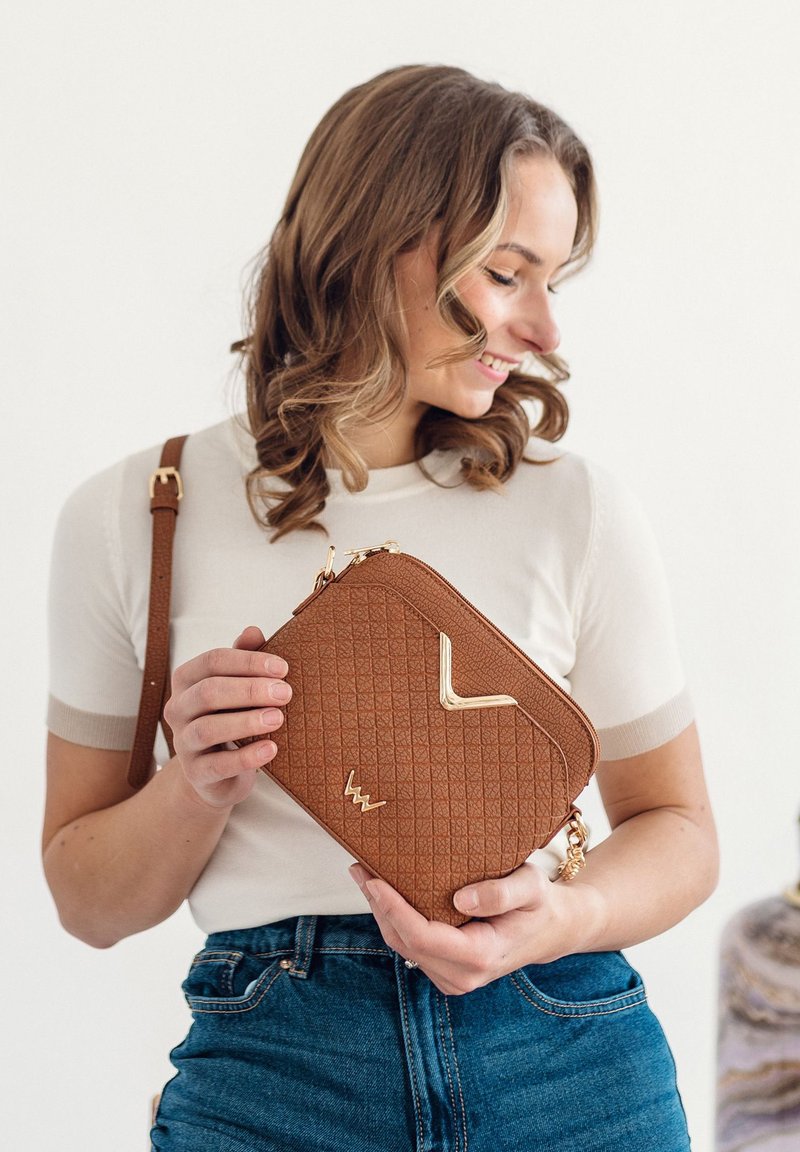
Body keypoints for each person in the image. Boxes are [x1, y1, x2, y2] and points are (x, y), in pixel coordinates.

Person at [43, 64, 718, 1151]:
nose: (542, 328)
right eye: (508, 274)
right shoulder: (136, 514)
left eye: (555, 282)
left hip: (567, 1062)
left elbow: (678, 831)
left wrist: (562, 920)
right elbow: (87, 902)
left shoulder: (572, 507)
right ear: (378, 240)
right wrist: (196, 783)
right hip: (273, 1077)